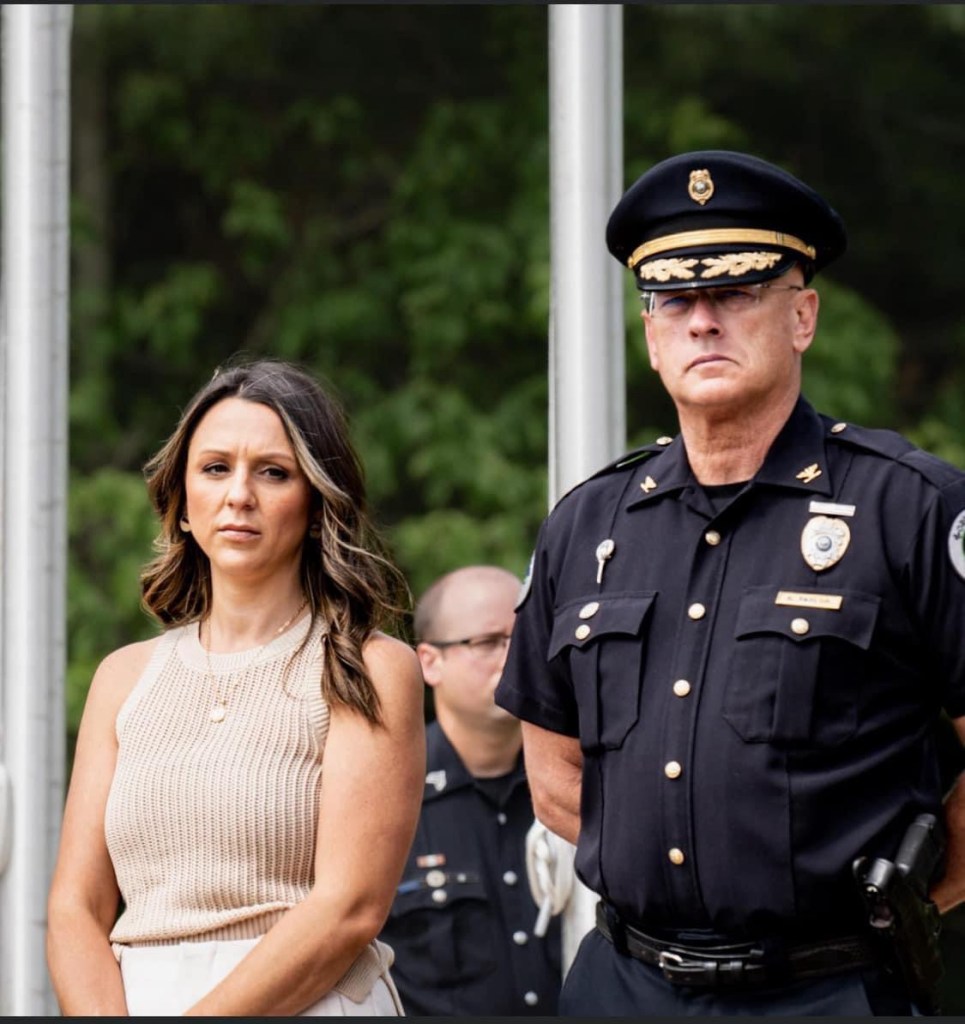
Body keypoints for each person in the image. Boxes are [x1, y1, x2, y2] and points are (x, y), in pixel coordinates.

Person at [494, 150, 965, 1016]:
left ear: (802, 317)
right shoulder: (586, 524)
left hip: (831, 989)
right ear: (650, 336)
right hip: (622, 985)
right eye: (674, 301)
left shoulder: (911, 506)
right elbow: (553, 771)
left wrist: (904, 903)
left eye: (736, 292)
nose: (702, 322)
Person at [46, 357, 426, 1016]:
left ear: (317, 505)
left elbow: (348, 909)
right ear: (181, 503)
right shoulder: (122, 677)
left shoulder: (368, 667)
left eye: (273, 472)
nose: (239, 495)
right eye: (216, 468)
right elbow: (74, 908)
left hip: (308, 1002)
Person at [379, 565, 564, 1015]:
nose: (514, 658)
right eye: (487, 642)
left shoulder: (575, 785)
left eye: (523, 639)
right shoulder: (388, 795)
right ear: (430, 662)